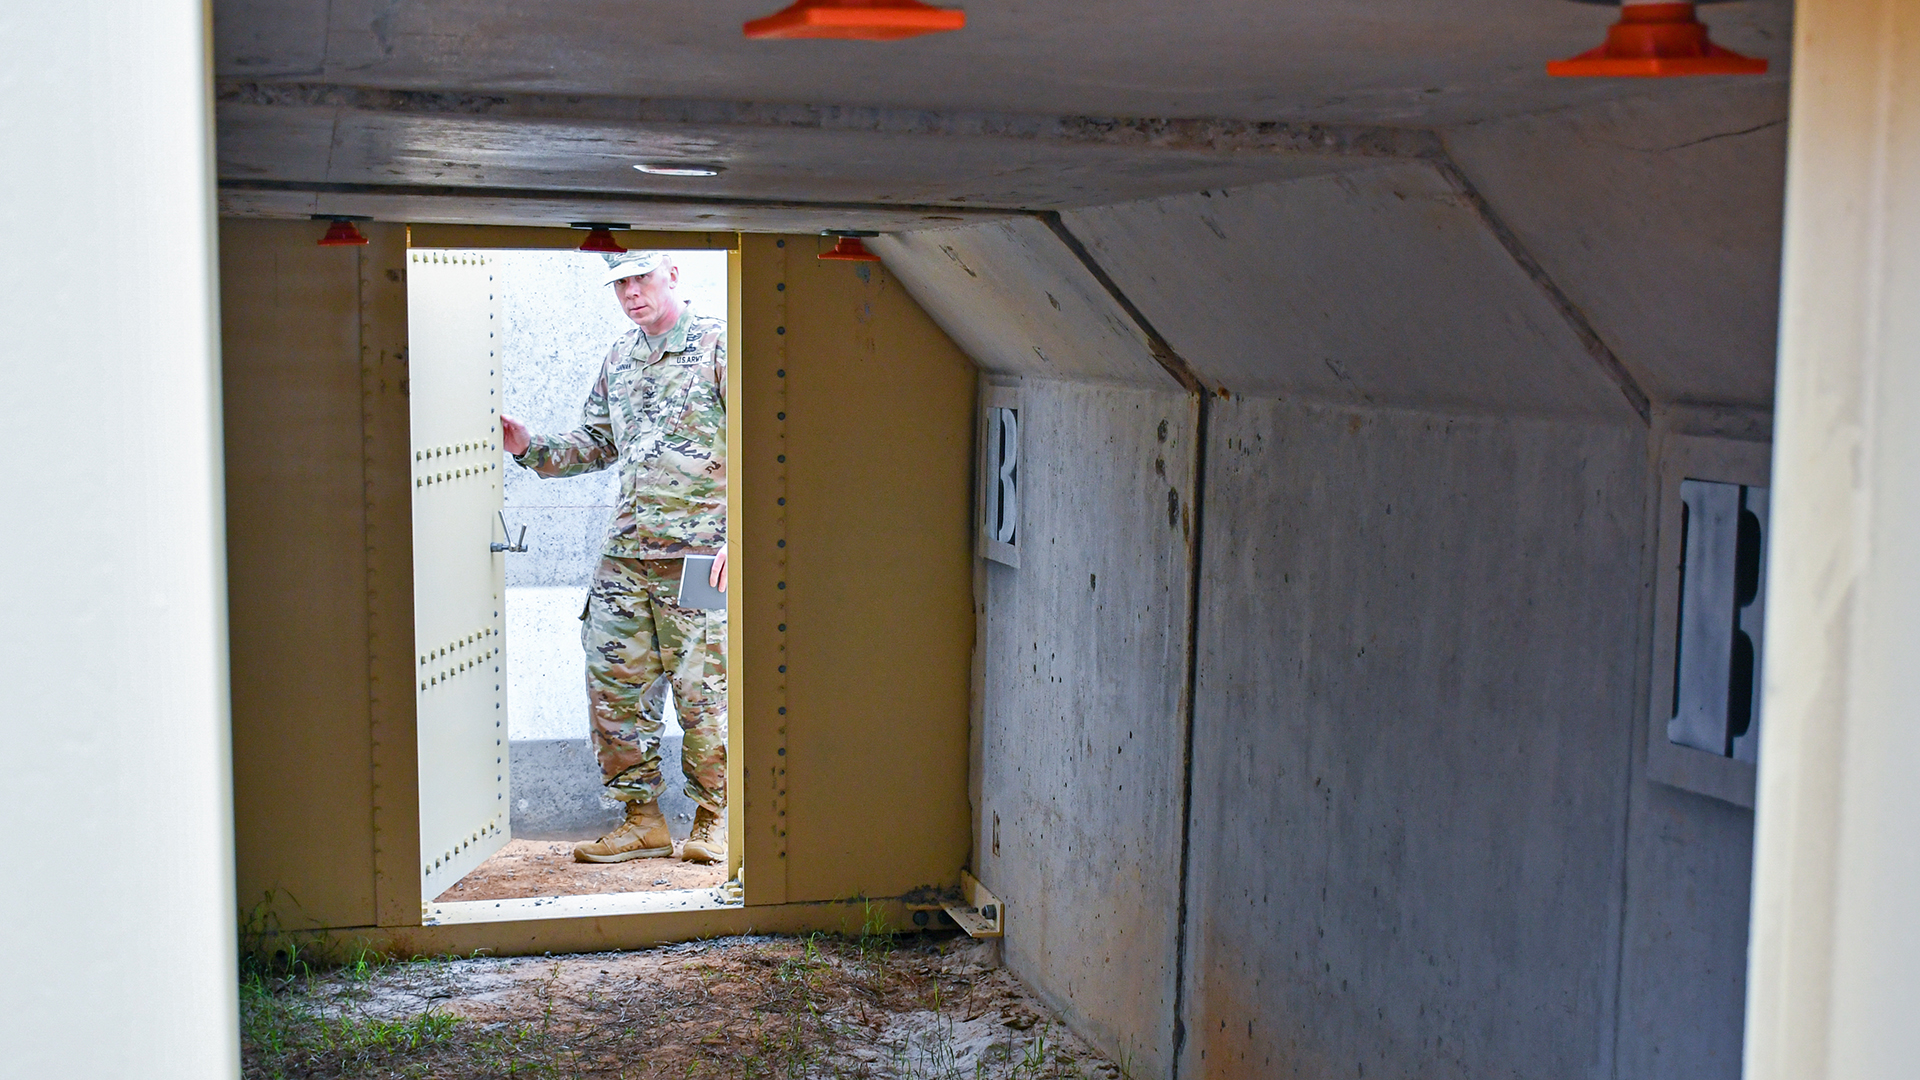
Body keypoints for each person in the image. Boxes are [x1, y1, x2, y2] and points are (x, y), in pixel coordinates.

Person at [501, 250, 729, 865]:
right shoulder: (620, 357)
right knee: (613, 688)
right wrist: (529, 446)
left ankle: (716, 819)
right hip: (626, 556)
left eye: (640, 278)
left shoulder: (720, 346)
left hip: (702, 557)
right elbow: (597, 442)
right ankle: (642, 821)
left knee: (705, 691)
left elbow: (765, 442)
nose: (630, 293)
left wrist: (742, 539)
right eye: (620, 283)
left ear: (672, 274)